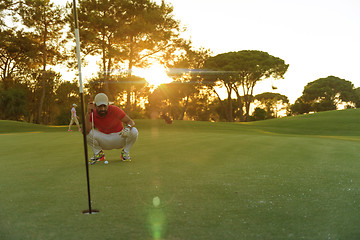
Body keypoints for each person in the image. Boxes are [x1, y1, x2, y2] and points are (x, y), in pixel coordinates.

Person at [85, 93, 138, 164]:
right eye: (100, 106)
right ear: (95, 106)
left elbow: (130, 121)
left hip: (119, 137)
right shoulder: (92, 114)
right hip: (104, 140)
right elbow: (86, 131)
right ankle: (98, 154)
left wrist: (128, 128)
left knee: (134, 131)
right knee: (87, 134)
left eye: (105, 106)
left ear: (108, 104)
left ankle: (125, 153)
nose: (103, 109)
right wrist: (88, 113)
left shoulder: (115, 109)